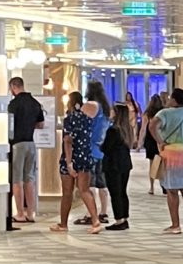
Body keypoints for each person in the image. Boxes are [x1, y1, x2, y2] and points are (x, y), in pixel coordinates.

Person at [50, 89, 103, 233]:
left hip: (71, 157)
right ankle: (95, 220)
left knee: (67, 192)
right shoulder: (88, 119)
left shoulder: (69, 119)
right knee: (85, 190)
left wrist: (69, 163)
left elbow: (68, 141)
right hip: (85, 156)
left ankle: (63, 224)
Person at [155, 85, 183, 233]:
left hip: (173, 154)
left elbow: (152, 126)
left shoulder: (165, 113)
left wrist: (160, 141)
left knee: (172, 190)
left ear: (174, 100)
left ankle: (175, 225)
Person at [6, 75, 44, 225]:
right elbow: (41, 125)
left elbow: (9, 125)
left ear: (14, 87)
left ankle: (20, 213)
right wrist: (29, 125)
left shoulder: (13, 104)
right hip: (31, 143)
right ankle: (31, 213)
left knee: (17, 179)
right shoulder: (35, 103)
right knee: (30, 179)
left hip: (17, 144)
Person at [99, 86, 135, 231]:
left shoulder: (113, 130)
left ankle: (119, 220)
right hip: (125, 164)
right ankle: (125, 218)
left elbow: (106, 148)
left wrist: (100, 145)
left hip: (113, 165)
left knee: (115, 192)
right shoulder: (127, 130)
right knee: (123, 192)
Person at [82, 82, 113, 223]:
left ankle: (91, 214)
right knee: (102, 184)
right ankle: (103, 212)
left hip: (89, 149)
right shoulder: (106, 108)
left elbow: (79, 123)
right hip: (103, 149)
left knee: (89, 184)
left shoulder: (90, 106)